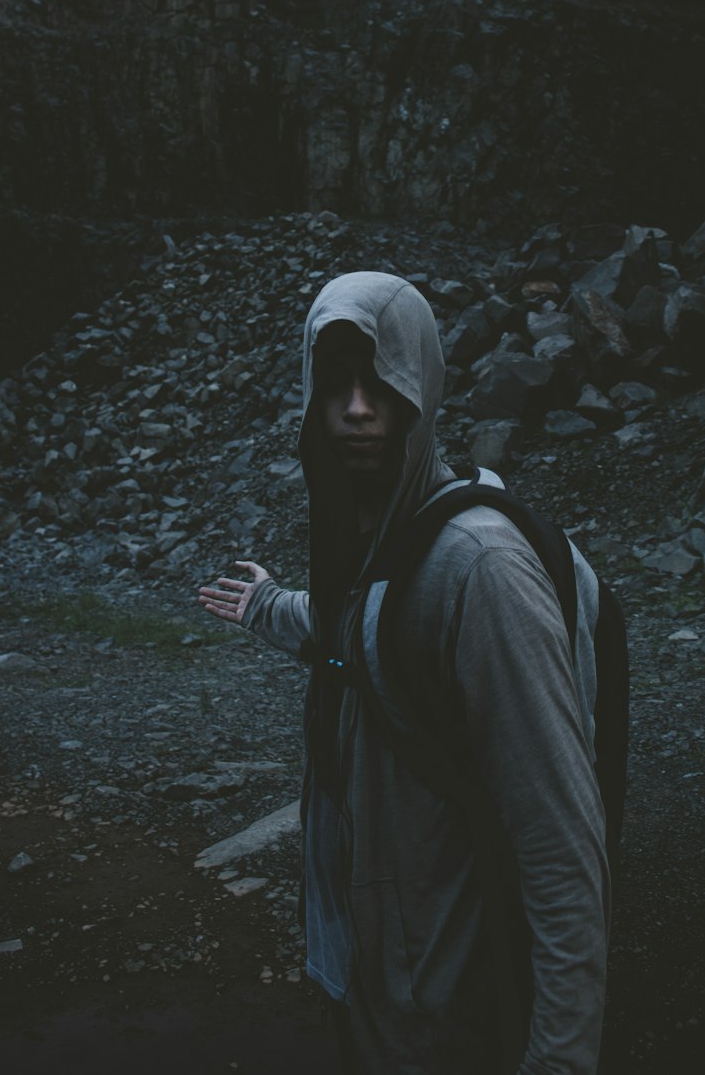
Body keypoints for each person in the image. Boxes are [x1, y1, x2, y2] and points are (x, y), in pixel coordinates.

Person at [199, 271, 609, 1075]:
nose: (358, 407)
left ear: (421, 384)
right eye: (336, 383)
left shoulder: (480, 567)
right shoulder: (377, 538)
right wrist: (266, 606)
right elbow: (360, 633)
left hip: (448, 1017)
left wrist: (560, 1061)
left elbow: (563, 849)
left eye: (381, 380)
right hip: (383, 985)